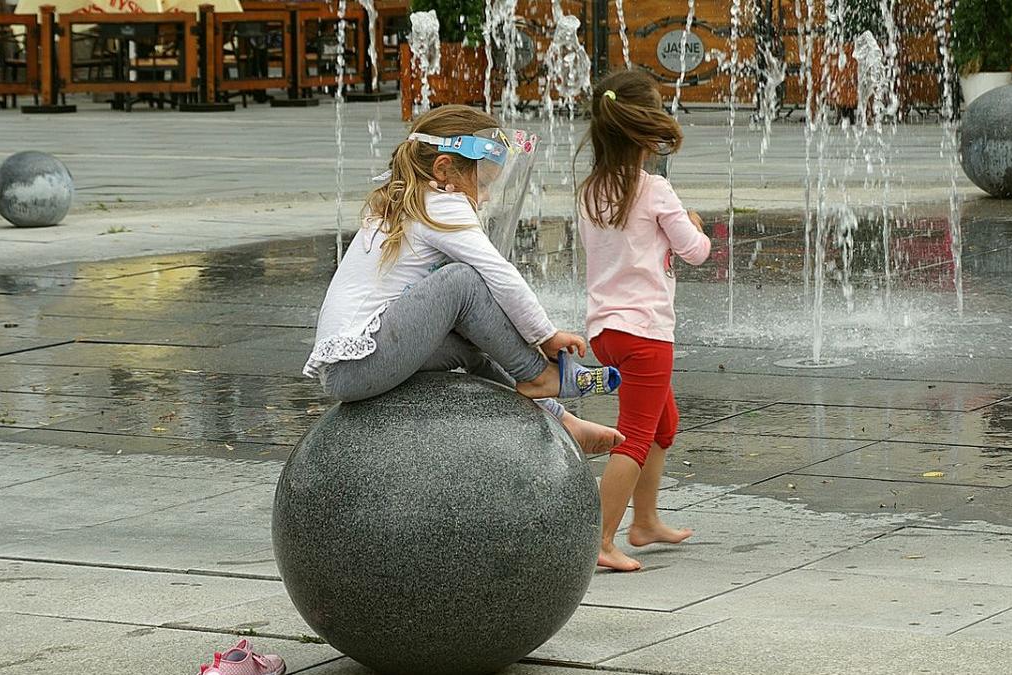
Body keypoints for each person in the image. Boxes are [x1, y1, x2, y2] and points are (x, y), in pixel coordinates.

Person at [304, 105, 623, 454]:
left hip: (351, 371)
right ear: (444, 170)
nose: (485, 196)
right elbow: (497, 271)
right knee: (462, 281)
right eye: (483, 183)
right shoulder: (440, 202)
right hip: (360, 363)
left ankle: (559, 419)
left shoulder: (412, 201)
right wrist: (544, 335)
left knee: (474, 345)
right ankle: (537, 374)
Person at [578, 71, 713, 571]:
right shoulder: (655, 190)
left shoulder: (591, 190)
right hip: (646, 332)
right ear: (645, 132)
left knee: (663, 424)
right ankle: (602, 538)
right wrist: (695, 226)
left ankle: (646, 521)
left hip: (606, 332)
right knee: (635, 435)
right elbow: (695, 252)